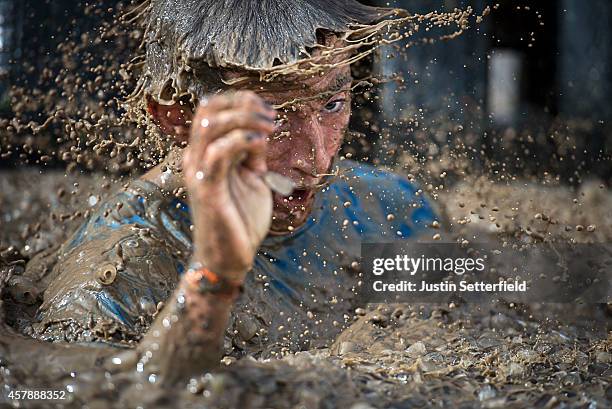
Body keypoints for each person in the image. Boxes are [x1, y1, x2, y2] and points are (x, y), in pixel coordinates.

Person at [16, 0, 437, 384]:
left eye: (331, 105)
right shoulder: (115, 277)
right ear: (176, 116)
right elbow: (105, 396)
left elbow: (473, 311)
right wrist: (215, 274)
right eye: (273, 116)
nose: (316, 159)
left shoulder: (391, 206)